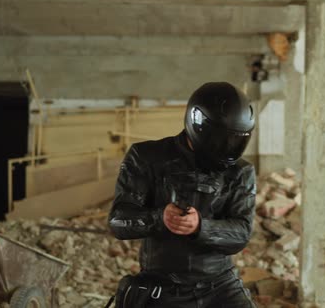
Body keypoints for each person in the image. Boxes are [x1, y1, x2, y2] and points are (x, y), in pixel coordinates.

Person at [108, 82, 257, 307]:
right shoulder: (146, 157)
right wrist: (159, 218)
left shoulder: (241, 172)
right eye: (222, 138)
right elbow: (118, 221)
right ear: (199, 125)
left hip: (220, 286)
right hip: (163, 286)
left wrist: (201, 227)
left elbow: (242, 233)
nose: (227, 147)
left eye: (236, 140)